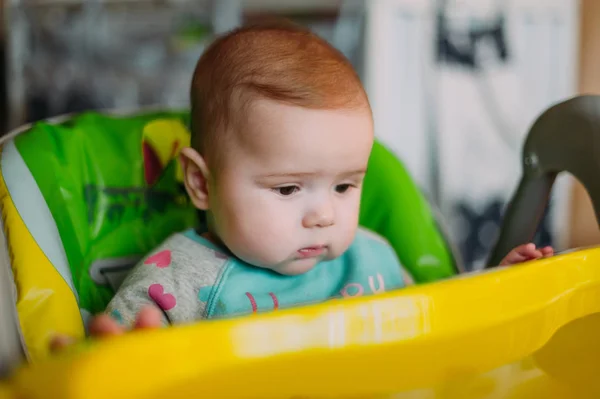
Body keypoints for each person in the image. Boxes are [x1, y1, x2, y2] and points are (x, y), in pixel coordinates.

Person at [52, 22, 553, 348]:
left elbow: (436, 321)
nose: (324, 215)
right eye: (289, 189)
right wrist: (111, 353)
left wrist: (496, 287)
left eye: (344, 186)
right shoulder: (178, 280)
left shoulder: (372, 257)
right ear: (202, 184)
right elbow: (115, 358)